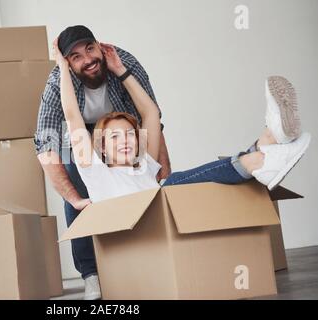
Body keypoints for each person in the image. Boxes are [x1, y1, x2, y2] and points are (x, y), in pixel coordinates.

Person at [53, 38, 311, 297]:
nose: (125, 142)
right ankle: (260, 157)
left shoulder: (143, 164)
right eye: (115, 138)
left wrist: (121, 70)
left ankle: (267, 141)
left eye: (130, 135)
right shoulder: (96, 172)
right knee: (170, 184)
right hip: (136, 240)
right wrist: (63, 68)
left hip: (167, 233)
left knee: (170, 186)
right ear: (102, 148)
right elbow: (72, 115)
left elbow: (151, 113)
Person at [34, 25, 170, 300]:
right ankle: (91, 273)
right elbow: (54, 136)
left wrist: (163, 174)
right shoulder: (57, 83)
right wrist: (74, 200)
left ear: (98, 45)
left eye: (89, 49)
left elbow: (152, 116)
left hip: (123, 122)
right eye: (75, 56)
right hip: (87, 135)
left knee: (170, 181)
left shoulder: (123, 63)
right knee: (76, 177)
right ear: (68, 63)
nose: (87, 59)